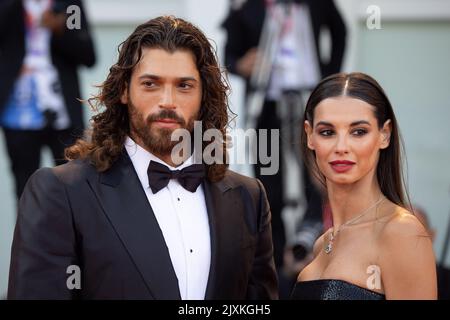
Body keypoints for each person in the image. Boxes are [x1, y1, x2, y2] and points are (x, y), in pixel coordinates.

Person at [8, 16, 278, 300]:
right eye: (151, 84)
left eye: (184, 86)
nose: (167, 101)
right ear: (124, 90)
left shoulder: (249, 198)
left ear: (203, 96)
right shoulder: (61, 193)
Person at [222, 0, 347, 285]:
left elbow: (340, 31)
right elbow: (229, 53)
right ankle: (277, 265)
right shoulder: (246, 6)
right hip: (267, 108)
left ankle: (316, 253)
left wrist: (330, 75)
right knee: (270, 185)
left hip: (311, 103)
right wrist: (240, 65)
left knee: (320, 180)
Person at [290, 72, 437, 300]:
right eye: (327, 132)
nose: (341, 146)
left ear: (384, 135)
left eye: (358, 132)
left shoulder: (402, 233)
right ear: (310, 136)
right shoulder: (322, 243)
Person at [0, 0, 96, 200]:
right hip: (18, 112)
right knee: (25, 189)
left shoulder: (70, 6)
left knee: (75, 185)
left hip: (63, 111)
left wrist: (61, 29)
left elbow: (87, 54)